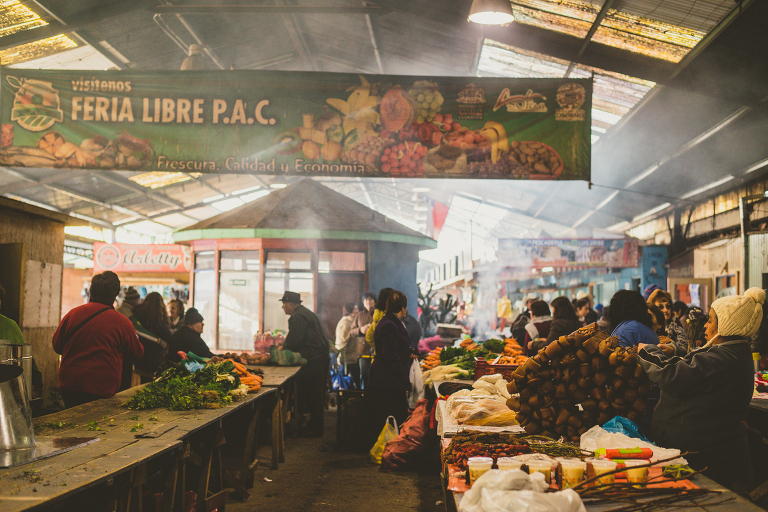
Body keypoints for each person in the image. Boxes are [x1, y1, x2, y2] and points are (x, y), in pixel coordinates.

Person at [638, 288, 764, 489]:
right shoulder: (730, 352)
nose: (705, 325)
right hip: (703, 454)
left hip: (705, 459)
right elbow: (696, 367)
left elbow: (671, 375)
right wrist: (675, 351)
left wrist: (646, 351)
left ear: (726, 327)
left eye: (711, 321)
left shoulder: (722, 358)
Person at [53, 271, 143, 409]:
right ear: (115, 294)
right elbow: (136, 353)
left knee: (73, 425)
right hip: (102, 388)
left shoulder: (72, 315)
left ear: (91, 291)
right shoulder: (121, 322)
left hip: (70, 386)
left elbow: (57, 346)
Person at [280, 291, 331, 437]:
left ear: (290, 304)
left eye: (284, 304)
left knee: (314, 396)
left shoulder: (297, 317)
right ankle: (312, 426)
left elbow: (295, 341)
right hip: (319, 358)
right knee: (316, 395)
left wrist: (283, 350)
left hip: (315, 360)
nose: (283, 307)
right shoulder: (305, 313)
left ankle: (315, 430)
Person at [368, 290, 412, 438]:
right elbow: (390, 354)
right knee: (392, 417)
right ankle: (388, 450)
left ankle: (391, 449)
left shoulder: (392, 321)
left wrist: (410, 351)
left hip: (390, 381)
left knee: (394, 417)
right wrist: (401, 374)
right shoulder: (389, 324)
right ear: (403, 307)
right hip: (388, 381)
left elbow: (396, 346)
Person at [131, 292, 172, 382]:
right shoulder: (160, 319)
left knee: (143, 382)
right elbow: (168, 336)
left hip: (141, 358)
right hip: (156, 359)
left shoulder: (138, 315)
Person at [648, 289, 688, 355]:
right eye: (661, 307)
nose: (666, 310)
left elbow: (684, 352)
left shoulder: (678, 329)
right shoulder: (649, 329)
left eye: (668, 306)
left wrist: (672, 349)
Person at [352, 292, 376, 388]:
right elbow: (352, 331)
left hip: (377, 350)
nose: (368, 302)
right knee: (364, 375)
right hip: (363, 350)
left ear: (375, 301)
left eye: (370, 299)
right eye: (366, 300)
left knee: (376, 376)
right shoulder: (359, 315)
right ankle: (364, 397)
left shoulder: (380, 314)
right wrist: (360, 330)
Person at [335, 302, 360, 388]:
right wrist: (340, 357)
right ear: (350, 311)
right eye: (356, 309)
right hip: (347, 361)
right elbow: (341, 342)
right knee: (349, 385)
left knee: (356, 384)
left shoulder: (352, 321)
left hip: (353, 358)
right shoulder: (345, 323)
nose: (358, 311)